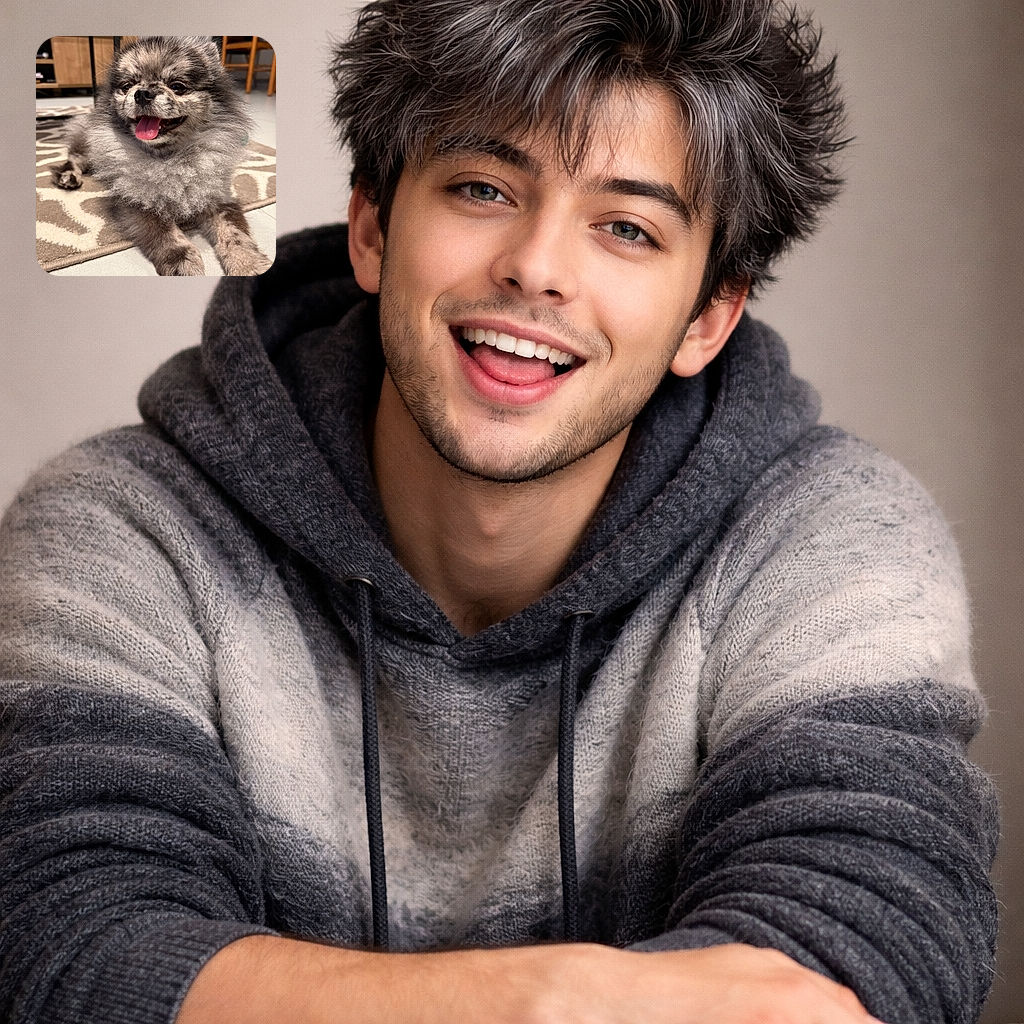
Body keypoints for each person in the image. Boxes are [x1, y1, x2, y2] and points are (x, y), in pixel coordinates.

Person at [0, 2, 998, 1023]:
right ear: (373, 228)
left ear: (709, 316)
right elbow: (71, 952)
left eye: (627, 227)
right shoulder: (121, 527)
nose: (537, 267)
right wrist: (545, 1000)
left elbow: (856, 962)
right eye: (482, 188)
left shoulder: (831, 538)